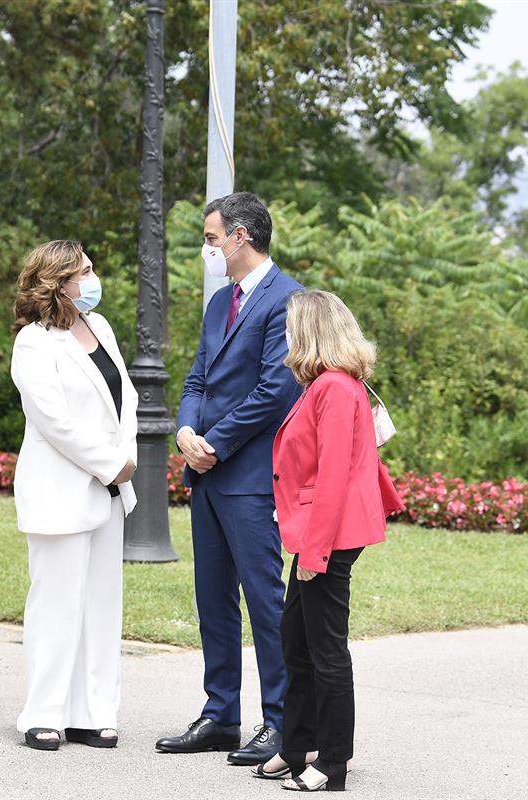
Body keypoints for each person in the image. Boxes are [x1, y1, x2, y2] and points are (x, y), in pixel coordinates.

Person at [155, 193, 303, 766]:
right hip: (207, 475)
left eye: (211, 238)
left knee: (265, 601)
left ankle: (281, 722)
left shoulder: (287, 299)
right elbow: (198, 377)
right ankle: (220, 715)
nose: (207, 248)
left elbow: (277, 389)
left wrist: (216, 443)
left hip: (251, 476)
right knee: (213, 600)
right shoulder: (220, 303)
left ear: (240, 236)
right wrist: (186, 433)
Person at [253, 289, 404, 791]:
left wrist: (313, 554)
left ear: (311, 331)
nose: (288, 336)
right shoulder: (326, 384)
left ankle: (332, 761)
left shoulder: (336, 388)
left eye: (294, 326)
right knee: (296, 639)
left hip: (330, 534)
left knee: (325, 648)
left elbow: (335, 473)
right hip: (319, 529)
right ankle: (298, 745)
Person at [9, 239, 138, 751]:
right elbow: (55, 421)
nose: (93, 278)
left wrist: (122, 463)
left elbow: (122, 400)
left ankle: (94, 711)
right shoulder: (34, 343)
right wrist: (111, 463)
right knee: (57, 604)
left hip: (109, 492)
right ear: (57, 282)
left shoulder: (100, 328)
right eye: (84, 272)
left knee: (101, 605)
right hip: (61, 491)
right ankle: (43, 713)